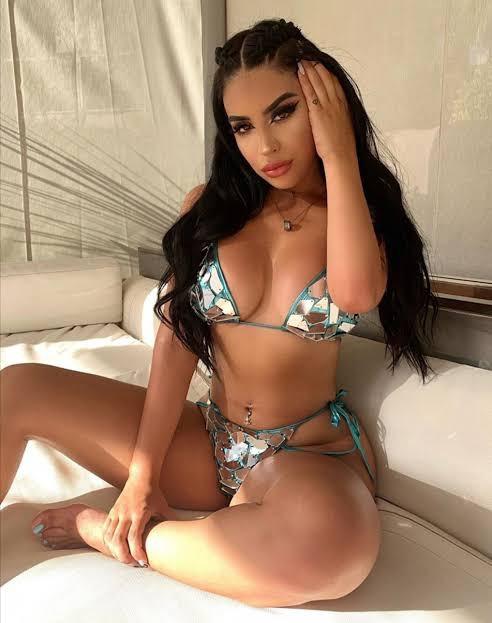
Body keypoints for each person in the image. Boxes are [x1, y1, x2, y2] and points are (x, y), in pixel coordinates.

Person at [0, 18, 440, 608]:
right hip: (208, 443)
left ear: (325, 106)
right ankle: (151, 525)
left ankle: (117, 537)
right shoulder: (210, 209)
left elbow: (358, 295)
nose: (265, 147)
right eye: (243, 126)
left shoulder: (355, 215)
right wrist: (143, 476)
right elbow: (175, 342)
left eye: (283, 113)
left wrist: (338, 156)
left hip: (305, 454)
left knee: (332, 551)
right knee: (17, 388)